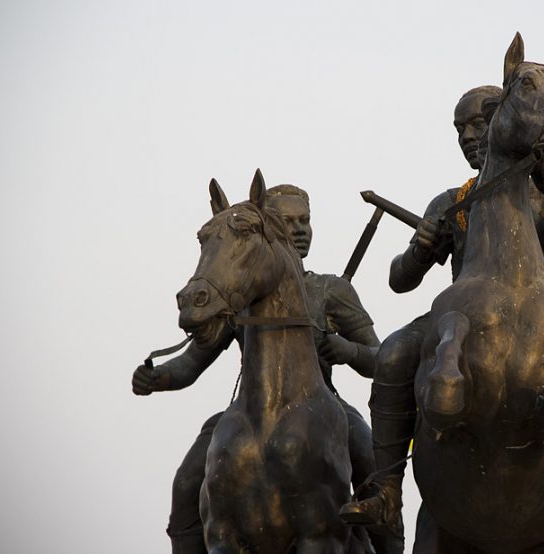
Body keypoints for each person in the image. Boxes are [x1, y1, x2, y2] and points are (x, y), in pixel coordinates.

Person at [340, 86, 544, 540]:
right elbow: (399, 280)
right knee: (393, 354)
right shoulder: (451, 200)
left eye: (477, 124)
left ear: (506, 124)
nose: (468, 136)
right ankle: (386, 489)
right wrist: (423, 247)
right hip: (461, 315)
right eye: (459, 129)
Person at [133, 184, 391, 554]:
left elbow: (378, 358)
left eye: (305, 220)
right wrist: (158, 376)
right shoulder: (239, 297)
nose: (299, 228)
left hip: (324, 405)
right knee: (189, 479)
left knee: (371, 458)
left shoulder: (330, 290)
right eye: (287, 221)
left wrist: (346, 349)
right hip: (248, 412)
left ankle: (388, 541)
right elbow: (192, 362)